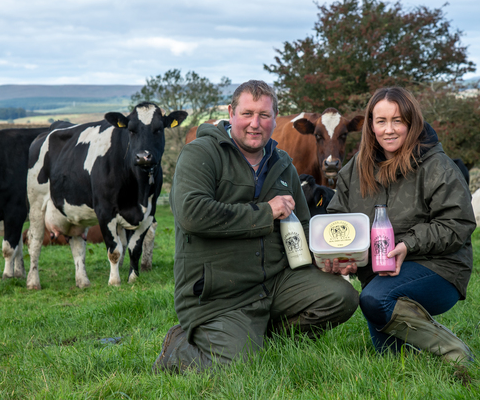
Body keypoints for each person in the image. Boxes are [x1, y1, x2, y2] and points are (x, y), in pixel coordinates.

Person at [153, 80, 359, 373]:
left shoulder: (283, 164)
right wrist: (265, 213)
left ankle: (260, 335)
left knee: (342, 296)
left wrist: (326, 257)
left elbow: (302, 224)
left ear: (276, 119)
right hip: (219, 290)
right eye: (247, 114)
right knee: (240, 367)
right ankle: (178, 348)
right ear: (231, 113)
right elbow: (191, 214)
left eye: (264, 115)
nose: (255, 124)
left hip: (275, 282)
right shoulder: (201, 153)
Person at [324, 87, 476, 367]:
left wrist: (408, 245)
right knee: (395, 362)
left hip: (439, 267)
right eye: (381, 121)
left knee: (376, 299)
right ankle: (421, 361)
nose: (389, 130)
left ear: (412, 123)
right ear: (370, 125)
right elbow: (339, 219)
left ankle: (454, 352)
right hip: (379, 273)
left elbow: (458, 224)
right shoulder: (356, 167)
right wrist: (343, 255)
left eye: (398, 121)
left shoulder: (436, 166)